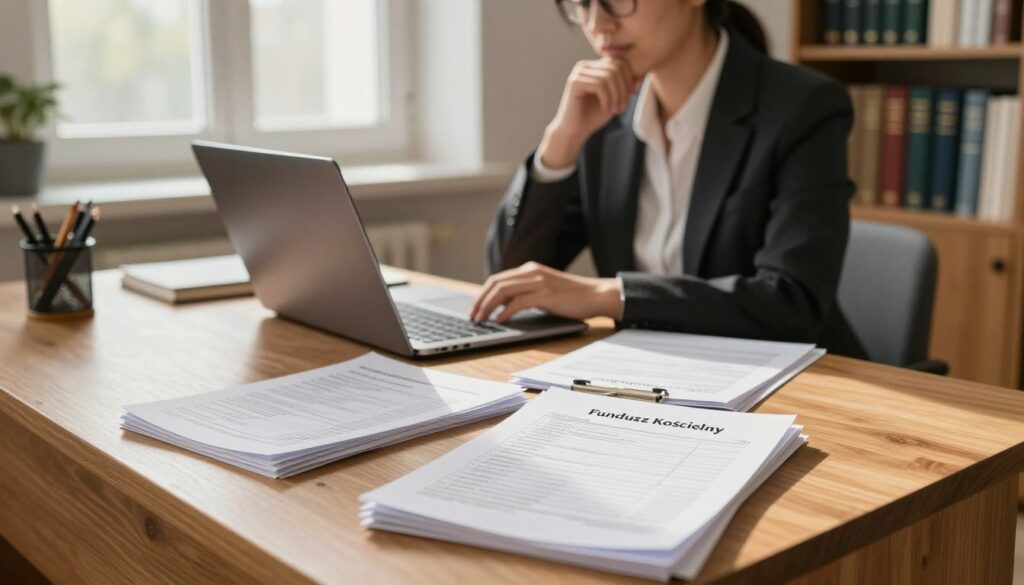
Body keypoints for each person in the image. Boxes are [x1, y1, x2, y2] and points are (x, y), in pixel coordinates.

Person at [471, 0, 866, 358]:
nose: (598, 24)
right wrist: (560, 143)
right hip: (655, 373)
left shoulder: (803, 108)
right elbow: (509, 278)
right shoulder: (604, 119)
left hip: (794, 379)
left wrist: (608, 294)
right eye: (582, 4)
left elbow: (792, 304)